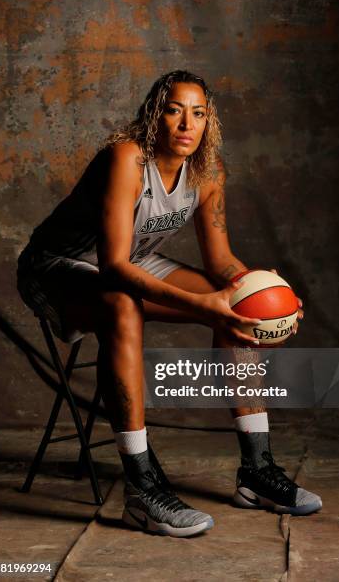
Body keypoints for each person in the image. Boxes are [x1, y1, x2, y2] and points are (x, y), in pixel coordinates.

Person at [17, 70, 322, 538]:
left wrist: (267, 294)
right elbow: (114, 266)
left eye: (198, 113)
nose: (186, 124)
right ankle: (141, 489)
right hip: (56, 265)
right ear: (154, 116)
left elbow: (221, 262)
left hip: (132, 260)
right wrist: (205, 307)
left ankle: (256, 470)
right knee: (123, 305)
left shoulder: (207, 170)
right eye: (175, 110)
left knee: (237, 306)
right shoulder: (126, 159)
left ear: (208, 122)